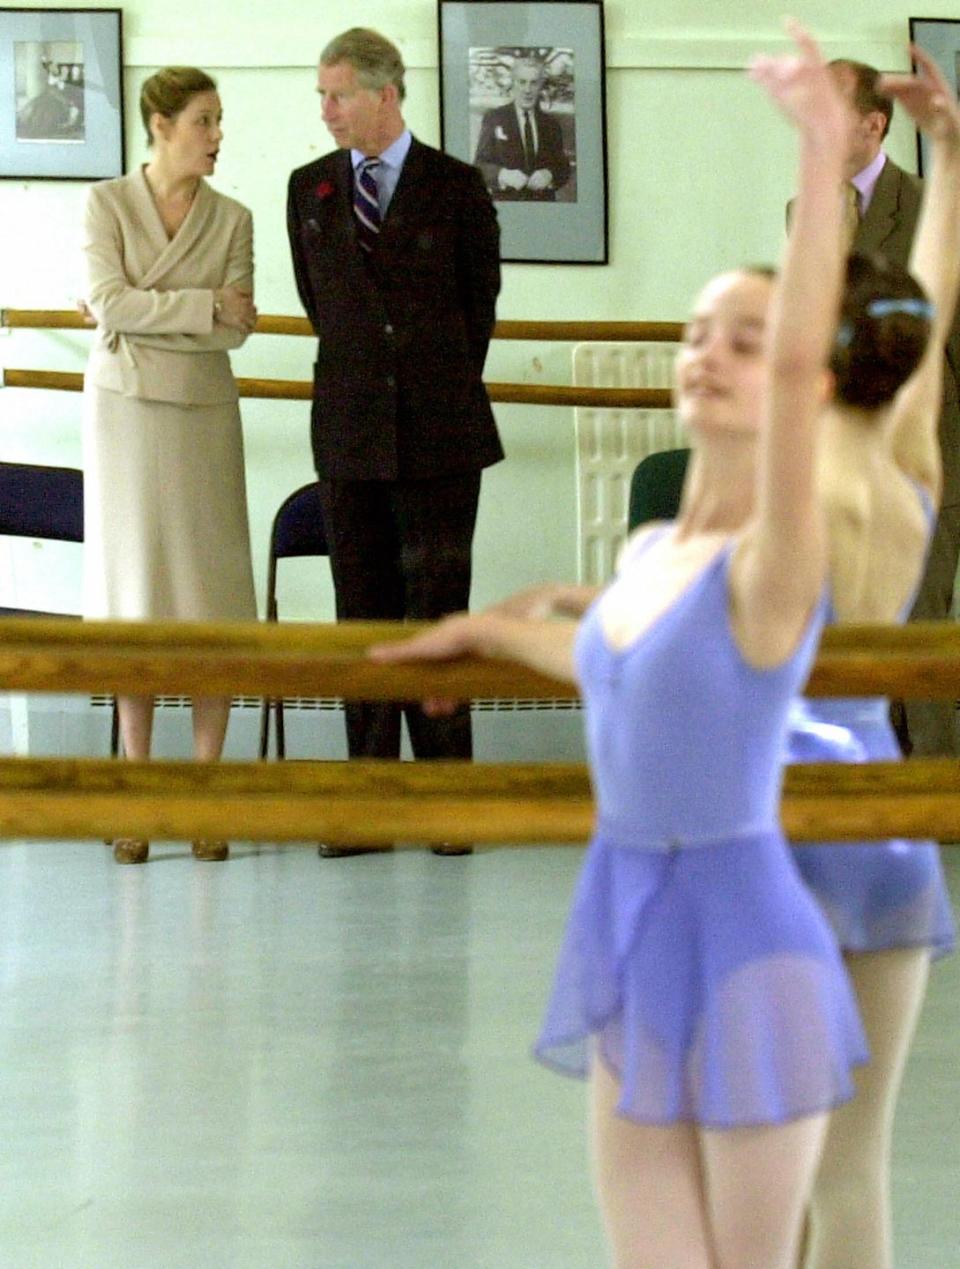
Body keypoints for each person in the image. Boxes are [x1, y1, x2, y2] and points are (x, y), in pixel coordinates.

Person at [374, 26, 872, 1267]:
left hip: (749, 946)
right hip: (626, 929)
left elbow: (812, 337)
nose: (711, 352)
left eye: (748, 342)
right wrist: (492, 629)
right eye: (702, 331)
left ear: (797, 387)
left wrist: (821, 156)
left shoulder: (773, 558)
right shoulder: (654, 556)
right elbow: (611, 656)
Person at [286, 27, 503, 858]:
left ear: (386, 93)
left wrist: (422, 385)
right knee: (360, 616)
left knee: (439, 616)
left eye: (337, 93)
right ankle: (369, 802)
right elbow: (323, 305)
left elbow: (475, 308)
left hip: (440, 435)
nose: (326, 109)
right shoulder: (310, 188)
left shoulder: (457, 186)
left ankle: (448, 803)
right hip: (348, 435)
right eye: (321, 94)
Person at [82, 66, 258, 865]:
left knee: (209, 599)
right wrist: (198, 304)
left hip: (203, 420)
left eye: (219, 120)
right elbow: (106, 300)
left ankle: (207, 797)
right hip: (123, 418)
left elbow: (237, 332)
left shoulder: (235, 218)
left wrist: (151, 312)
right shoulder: (105, 204)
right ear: (160, 125)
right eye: (203, 120)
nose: (217, 134)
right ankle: (138, 796)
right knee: (135, 598)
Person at [793, 56, 960, 758]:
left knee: (919, 621)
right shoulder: (805, 207)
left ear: (873, 123)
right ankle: (865, 775)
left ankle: (935, 790)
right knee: (853, 619)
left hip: (923, 438)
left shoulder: (922, 204)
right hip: (838, 448)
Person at [474, 54, 571, 202]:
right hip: (507, 208)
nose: (527, 89)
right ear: (513, 83)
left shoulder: (551, 124)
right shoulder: (494, 118)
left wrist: (549, 174)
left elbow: (563, 166)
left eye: (533, 83)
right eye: (522, 82)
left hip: (543, 210)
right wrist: (502, 174)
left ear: (540, 86)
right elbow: (480, 165)